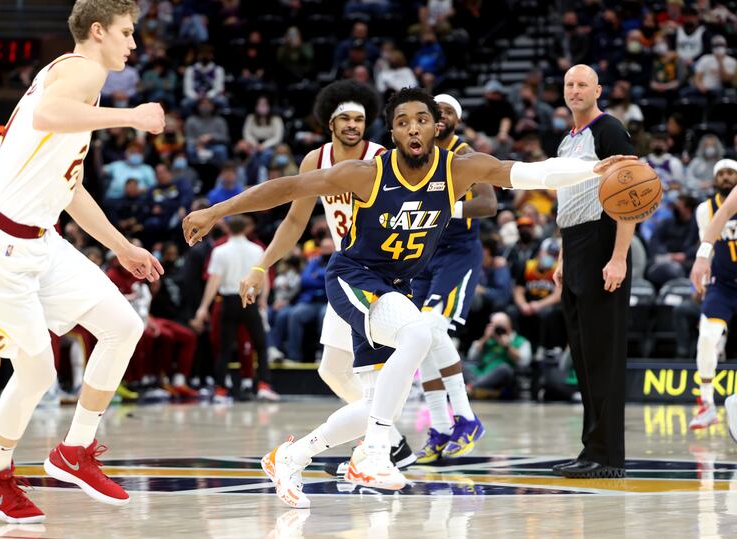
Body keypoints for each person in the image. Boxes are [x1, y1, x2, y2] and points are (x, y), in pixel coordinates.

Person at [184, 87, 632, 507]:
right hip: (353, 276)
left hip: (396, 287)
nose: (414, 128)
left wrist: (596, 168)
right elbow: (284, 190)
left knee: (378, 403)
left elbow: (530, 173)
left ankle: (291, 457)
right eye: (403, 122)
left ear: (438, 127)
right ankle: (373, 456)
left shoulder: (459, 168)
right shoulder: (365, 173)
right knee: (419, 333)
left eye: (422, 119)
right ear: (393, 133)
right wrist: (216, 210)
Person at [0, 0, 165, 524]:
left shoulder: (76, 81)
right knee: (38, 372)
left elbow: (69, 188)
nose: (133, 44)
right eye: (126, 32)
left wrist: (120, 245)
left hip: (40, 241)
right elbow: (50, 114)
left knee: (122, 325)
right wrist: (132, 116)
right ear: (98, 31)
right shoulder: (81, 69)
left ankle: (74, 450)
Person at [238, 80, 415, 471]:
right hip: (346, 271)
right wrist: (260, 266)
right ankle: (393, 442)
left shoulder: (382, 157)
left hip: (379, 272)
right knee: (332, 369)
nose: (353, 125)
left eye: (360, 119)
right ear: (330, 123)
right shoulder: (315, 161)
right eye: (346, 119)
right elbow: (295, 219)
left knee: (370, 371)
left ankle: (381, 447)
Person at [552, 65, 636, 480]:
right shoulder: (566, 141)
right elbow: (568, 200)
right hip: (575, 245)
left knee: (604, 354)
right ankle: (592, 449)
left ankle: (610, 457)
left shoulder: (610, 130)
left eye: (583, 83)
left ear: (598, 89)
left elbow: (632, 192)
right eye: (569, 84)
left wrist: (619, 256)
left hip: (605, 243)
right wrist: (563, 258)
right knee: (584, 356)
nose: (575, 90)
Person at [411, 94, 497, 464]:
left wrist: (446, 207)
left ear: (457, 120)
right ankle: (442, 427)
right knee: (420, 339)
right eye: (435, 112)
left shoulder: (466, 157)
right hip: (420, 255)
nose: (441, 117)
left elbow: (489, 205)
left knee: (432, 325)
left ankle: (466, 417)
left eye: (447, 112)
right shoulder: (416, 157)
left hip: (457, 253)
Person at [192, 215, 278, 402]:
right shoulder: (257, 249)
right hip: (249, 299)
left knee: (224, 347)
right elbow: (263, 278)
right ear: (246, 229)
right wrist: (262, 298)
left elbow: (214, 282)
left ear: (227, 230)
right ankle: (263, 385)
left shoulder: (220, 251)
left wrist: (203, 307)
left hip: (228, 301)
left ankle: (221, 389)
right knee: (261, 344)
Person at [688, 159, 737, 429]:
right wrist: (702, 271)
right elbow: (707, 241)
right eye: (722, 174)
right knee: (707, 336)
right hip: (724, 283)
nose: (727, 177)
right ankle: (707, 403)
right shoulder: (705, 210)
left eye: (731, 173)